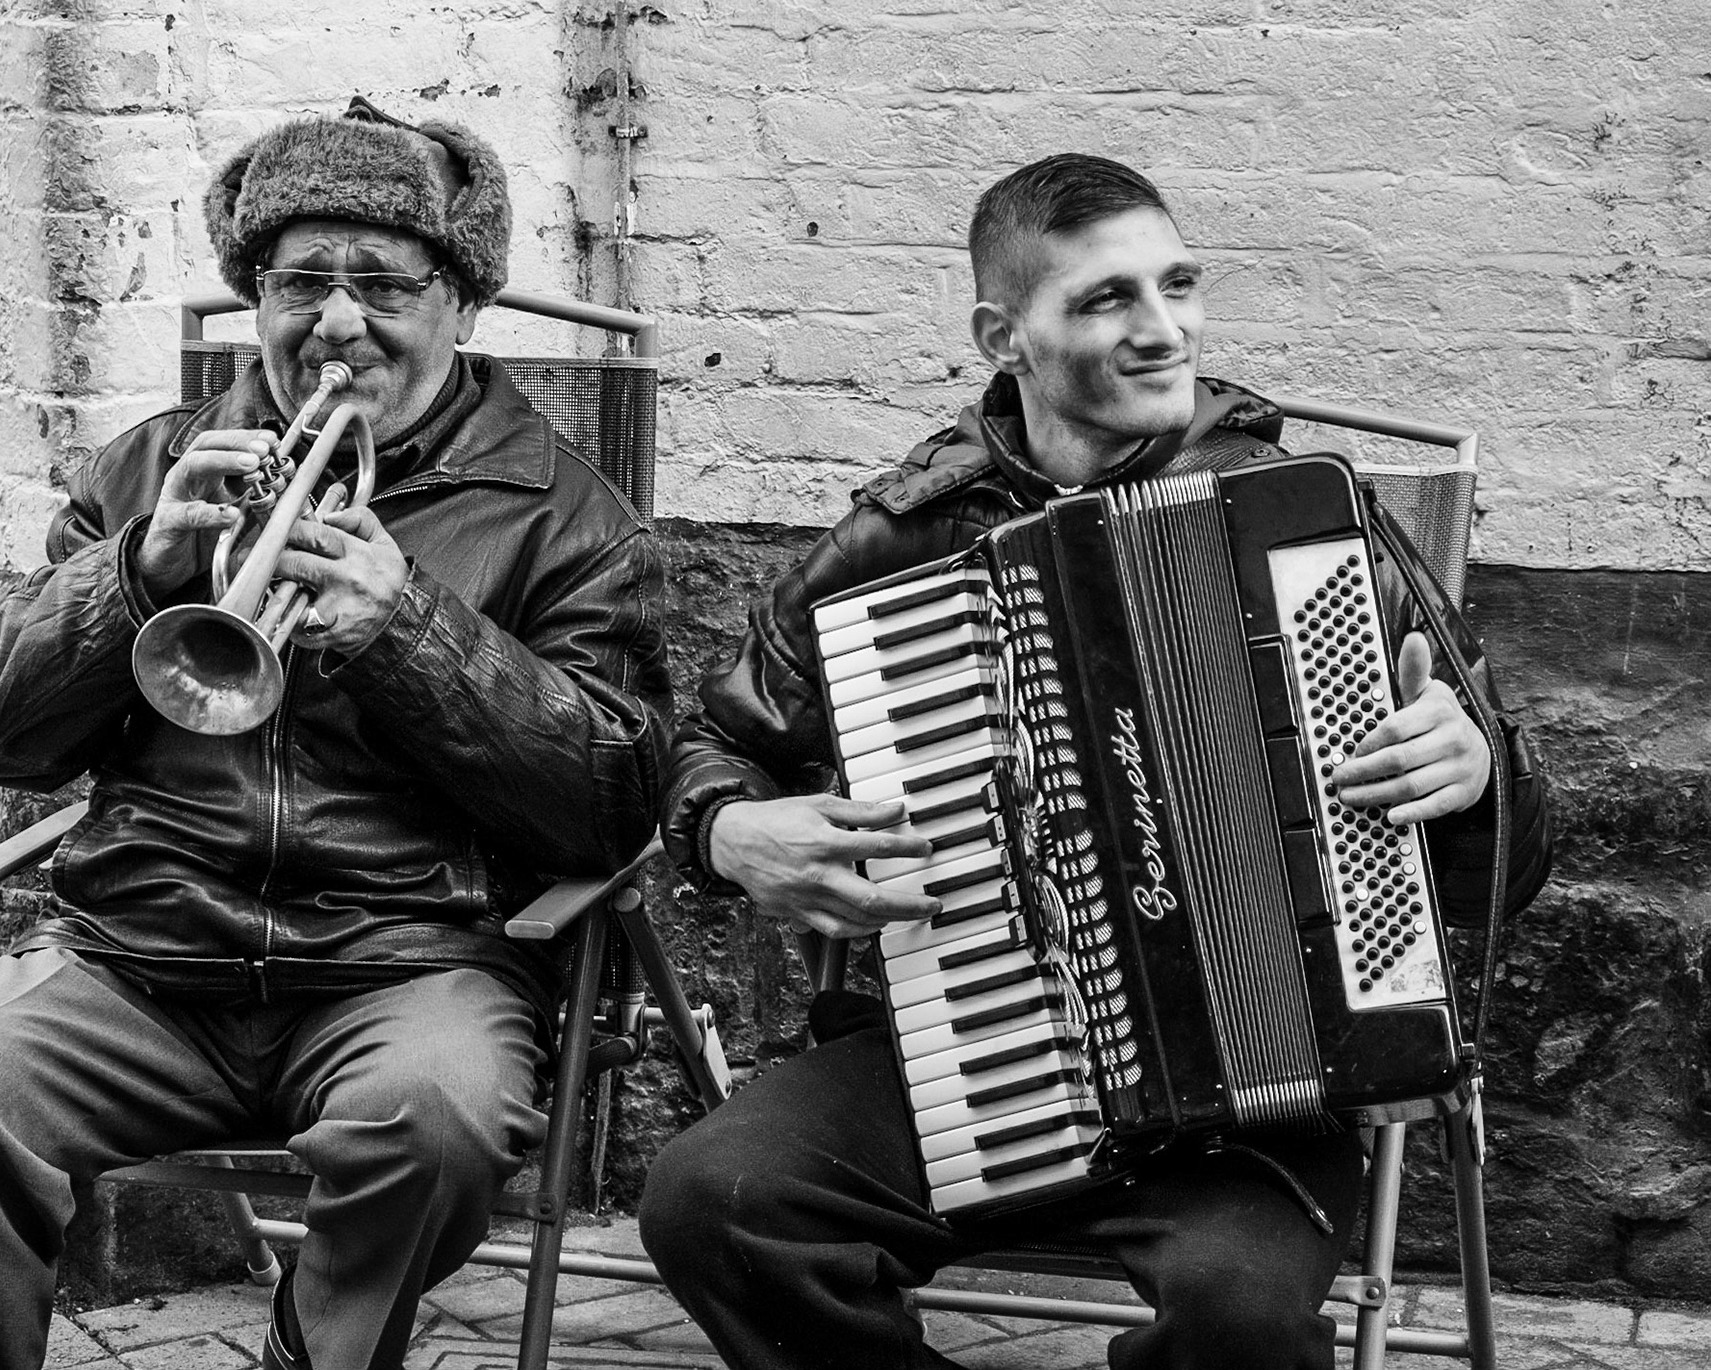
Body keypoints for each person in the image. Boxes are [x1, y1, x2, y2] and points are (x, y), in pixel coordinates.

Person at [641, 153, 1552, 1370]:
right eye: (1107, 298)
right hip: (971, 1044)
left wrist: (1478, 773)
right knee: (715, 1197)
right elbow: (716, 739)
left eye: (1178, 285)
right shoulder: (906, 537)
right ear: (1002, 336)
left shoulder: (1306, 521)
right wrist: (726, 830)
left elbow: (1521, 851)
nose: (1163, 329)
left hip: (1255, 1100)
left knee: (1240, 1313)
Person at [0, 98, 671, 1370]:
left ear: (461, 304)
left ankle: (317, 1349)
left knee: (442, 1116)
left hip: (408, 961)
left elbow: (613, 798)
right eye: (302, 281)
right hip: (148, 953)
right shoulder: (151, 469)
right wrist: (135, 573)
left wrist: (404, 625)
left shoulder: (568, 513)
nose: (339, 322)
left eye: (385, 284)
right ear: (257, 296)